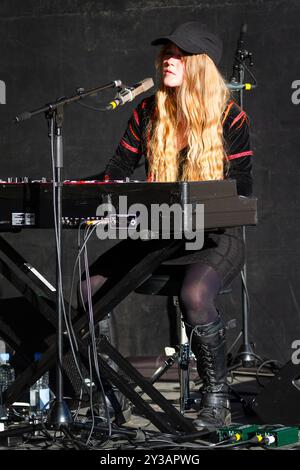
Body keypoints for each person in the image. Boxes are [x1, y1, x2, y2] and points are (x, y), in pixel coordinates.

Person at [81, 21, 253, 430]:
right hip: (156, 234)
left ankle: (215, 395)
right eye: (167, 53)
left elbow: (242, 187)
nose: (168, 60)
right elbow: (117, 171)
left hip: (212, 239)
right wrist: (83, 190)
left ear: (199, 65)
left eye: (179, 54)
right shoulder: (147, 110)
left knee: (194, 294)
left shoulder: (231, 116)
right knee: (88, 288)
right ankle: (109, 393)